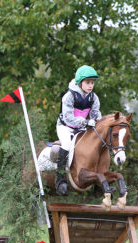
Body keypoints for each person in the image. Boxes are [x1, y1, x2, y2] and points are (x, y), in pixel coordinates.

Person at [55, 65, 102, 195]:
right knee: (66, 145)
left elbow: (96, 114)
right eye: (88, 82)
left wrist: (98, 120)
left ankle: (99, 184)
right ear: (80, 82)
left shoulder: (93, 97)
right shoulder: (69, 96)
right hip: (65, 127)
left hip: (81, 129)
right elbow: (68, 118)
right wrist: (86, 122)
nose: (90, 85)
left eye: (92, 82)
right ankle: (60, 181)